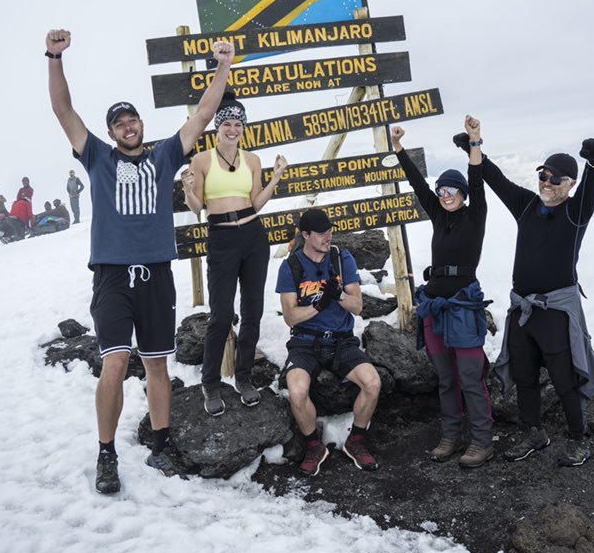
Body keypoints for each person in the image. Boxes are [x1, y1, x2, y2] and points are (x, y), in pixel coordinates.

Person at [46, 27, 234, 494]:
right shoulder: (97, 158)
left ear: (140, 125)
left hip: (156, 276)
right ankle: (106, 454)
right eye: (119, 123)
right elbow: (63, 110)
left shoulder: (166, 155)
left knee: (156, 366)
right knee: (114, 363)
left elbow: (205, 112)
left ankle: (163, 442)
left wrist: (223, 66)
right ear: (111, 133)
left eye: (133, 120)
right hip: (112, 276)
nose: (128, 126)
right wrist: (54, 57)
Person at [485, 135, 594, 467]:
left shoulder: (575, 212)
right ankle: (533, 433)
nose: (549, 183)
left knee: (563, 377)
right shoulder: (527, 204)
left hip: (555, 310)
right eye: (544, 175)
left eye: (558, 179)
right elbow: (495, 179)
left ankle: (578, 439)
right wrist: (474, 147)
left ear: (571, 185)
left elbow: (591, 191)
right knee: (525, 375)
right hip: (523, 309)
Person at [392, 116, 495, 468]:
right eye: (442, 191)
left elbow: (478, 181)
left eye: (452, 191)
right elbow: (418, 184)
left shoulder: (475, 214)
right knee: (445, 377)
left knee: (469, 377)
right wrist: (399, 150)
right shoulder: (438, 214)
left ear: (463, 194)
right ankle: (451, 436)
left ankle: (482, 441)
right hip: (434, 306)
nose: (445, 195)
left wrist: (475, 142)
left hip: (464, 305)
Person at [182, 90, 288, 416]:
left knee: (253, 310)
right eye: (226, 123)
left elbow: (255, 202)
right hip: (221, 237)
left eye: (237, 125)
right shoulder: (201, 160)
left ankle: (243, 376)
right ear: (218, 127)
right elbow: (198, 207)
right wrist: (187, 188)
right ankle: (210, 382)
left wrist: (277, 178)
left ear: (244, 128)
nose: (232, 129)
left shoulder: (253, 160)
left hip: (254, 235)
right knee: (221, 315)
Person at [276, 208, 381, 477]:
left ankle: (356, 440)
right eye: (322, 233)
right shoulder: (291, 266)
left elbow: (357, 306)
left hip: (341, 341)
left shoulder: (341, 257)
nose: (328, 236)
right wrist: (322, 304)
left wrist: (338, 297)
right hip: (304, 342)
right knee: (297, 391)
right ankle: (313, 446)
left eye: (330, 231)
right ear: (306, 235)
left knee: (372, 382)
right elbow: (290, 317)